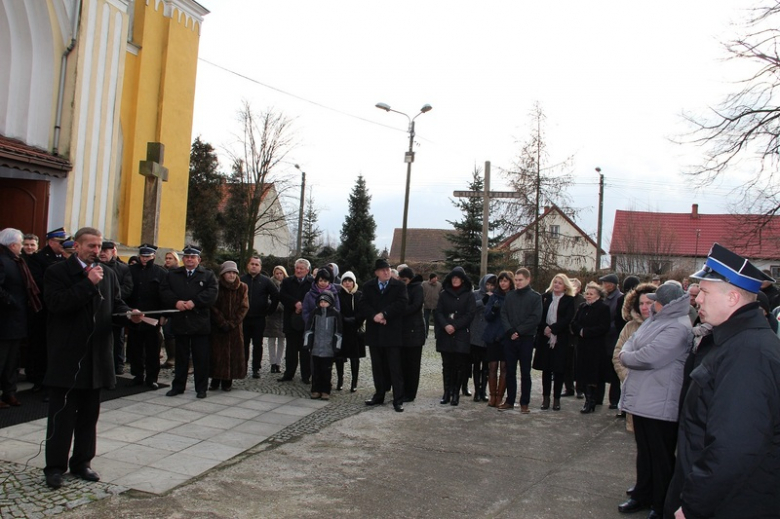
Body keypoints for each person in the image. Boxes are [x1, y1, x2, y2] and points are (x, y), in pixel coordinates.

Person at [665, 243, 780, 519]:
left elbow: (733, 449)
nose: (697, 300)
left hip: (727, 505)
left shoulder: (749, 353)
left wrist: (692, 506)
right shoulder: (735, 342)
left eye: (704, 291)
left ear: (731, 298)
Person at [42, 227, 143, 489]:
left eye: (99, 246)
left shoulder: (108, 274)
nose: (97, 251)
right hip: (67, 356)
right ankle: (54, 467)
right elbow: (57, 304)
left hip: (97, 356)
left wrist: (129, 313)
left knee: (89, 415)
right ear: (76, 246)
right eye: (91, 246)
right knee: (62, 416)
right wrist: (87, 284)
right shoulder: (58, 273)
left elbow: (115, 305)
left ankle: (82, 462)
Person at [617, 283, 691, 518]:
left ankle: (660, 504)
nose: (649, 304)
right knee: (645, 451)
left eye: (654, 301)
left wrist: (628, 356)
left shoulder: (678, 327)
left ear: (666, 304)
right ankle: (642, 494)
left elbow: (648, 357)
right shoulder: (655, 321)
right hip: (643, 397)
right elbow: (631, 342)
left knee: (661, 456)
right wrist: (630, 354)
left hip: (660, 400)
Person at [160, 245, 219, 399]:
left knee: (201, 358)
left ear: (198, 259)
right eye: (187, 257)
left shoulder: (207, 275)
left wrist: (195, 302)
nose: (190, 260)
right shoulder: (173, 274)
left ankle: (201, 388)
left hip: (200, 323)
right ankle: (178, 386)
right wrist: (176, 302)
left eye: (193, 257)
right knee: (181, 358)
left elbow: (212, 293)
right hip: (181, 321)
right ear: (183, 259)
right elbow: (164, 291)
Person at [358, 258, 408, 412]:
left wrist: (385, 314)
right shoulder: (368, 286)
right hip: (375, 332)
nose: (386, 272)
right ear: (377, 273)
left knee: (395, 366)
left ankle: (398, 398)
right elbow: (363, 304)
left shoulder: (398, 285)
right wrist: (374, 316)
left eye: (388, 269)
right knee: (377, 366)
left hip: (392, 331)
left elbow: (402, 303)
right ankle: (379, 394)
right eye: (383, 270)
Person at [0, 228, 41, 408]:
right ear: (13, 245)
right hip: (4, 320)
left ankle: (9, 393)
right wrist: (13, 302)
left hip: (16, 320)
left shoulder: (17, 260)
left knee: (12, 360)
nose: (23, 247)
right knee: (2, 359)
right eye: (21, 244)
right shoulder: (2, 261)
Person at [26, 227, 69, 396]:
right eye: (60, 242)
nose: (63, 245)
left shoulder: (63, 257)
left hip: (59, 311)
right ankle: (39, 380)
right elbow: (38, 282)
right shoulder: (38, 258)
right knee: (40, 347)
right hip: (43, 310)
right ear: (51, 242)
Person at [612, 283, 657, 427]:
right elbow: (618, 354)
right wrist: (627, 376)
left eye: (649, 303)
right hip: (633, 390)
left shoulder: (666, 327)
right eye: (641, 303)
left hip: (657, 394)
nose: (644, 307)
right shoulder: (630, 327)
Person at [499, 268, 542, 412]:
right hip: (510, 338)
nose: (517, 283)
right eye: (516, 280)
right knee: (510, 371)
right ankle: (510, 400)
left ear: (528, 280)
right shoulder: (510, 296)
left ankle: (525, 403)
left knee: (525, 372)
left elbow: (535, 318)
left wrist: (519, 331)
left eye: (520, 280)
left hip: (526, 339)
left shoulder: (535, 297)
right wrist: (510, 330)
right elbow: (503, 313)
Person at [126, 244, 167, 389]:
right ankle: (137, 375)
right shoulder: (130, 270)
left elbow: (164, 296)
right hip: (134, 315)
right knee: (135, 349)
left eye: (147, 256)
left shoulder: (160, 273)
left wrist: (163, 315)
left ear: (153, 256)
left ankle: (152, 378)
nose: (144, 259)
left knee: (152, 350)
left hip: (152, 317)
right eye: (142, 256)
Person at [532, 273, 576, 412]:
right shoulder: (544, 297)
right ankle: (545, 398)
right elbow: (538, 315)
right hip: (544, 338)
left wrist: (553, 329)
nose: (557, 285)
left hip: (560, 339)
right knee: (546, 369)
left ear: (565, 286)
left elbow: (568, 318)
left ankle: (557, 399)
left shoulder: (569, 300)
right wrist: (545, 327)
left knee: (559, 370)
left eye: (560, 283)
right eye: (555, 282)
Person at [434, 267, 476, 407]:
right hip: (446, 334)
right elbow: (438, 312)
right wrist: (446, 325)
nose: (455, 280)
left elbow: (470, 314)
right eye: (453, 278)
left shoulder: (469, 295)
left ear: (462, 279)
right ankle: (447, 392)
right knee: (447, 365)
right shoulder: (444, 294)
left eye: (458, 278)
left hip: (461, 334)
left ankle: (456, 393)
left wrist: (455, 325)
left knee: (459, 366)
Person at [570, 282, 611, 414]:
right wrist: (579, 331)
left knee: (593, 374)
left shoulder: (603, 308)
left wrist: (586, 332)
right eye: (587, 293)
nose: (588, 296)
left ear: (598, 295)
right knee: (583, 373)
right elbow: (574, 322)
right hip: (582, 345)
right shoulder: (582, 307)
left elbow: (604, 327)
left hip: (596, 347)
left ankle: (592, 401)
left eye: (591, 294)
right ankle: (587, 399)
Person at [209, 261, 249, 391]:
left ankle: (228, 381)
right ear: (223, 274)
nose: (231, 275)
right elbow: (213, 306)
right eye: (228, 272)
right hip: (218, 327)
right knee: (217, 354)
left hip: (235, 328)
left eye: (233, 272)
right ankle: (215, 379)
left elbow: (244, 307)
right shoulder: (216, 286)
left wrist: (232, 323)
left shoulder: (242, 287)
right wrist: (221, 322)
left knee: (233, 354)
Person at [240, 256, 280, 379]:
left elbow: (276, 296)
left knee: (258, 344)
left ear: (260, 267)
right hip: (244, 318)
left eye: (257, 264)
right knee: (244, 344)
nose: (254, 266)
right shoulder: (241, 280)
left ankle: (256, 368)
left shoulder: (266, 281)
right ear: (248, 265)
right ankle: (243, 367)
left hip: (259, 318)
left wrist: (269, 311)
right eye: (252, 264)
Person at [99, 241, 133, 375]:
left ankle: (117, 364)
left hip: (115, 308)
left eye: (105, 251)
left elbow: (128, 287)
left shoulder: (123, 268)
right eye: (101, 251)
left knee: (117, 338)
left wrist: (112, 297)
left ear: (113, 252)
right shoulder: (94, 266)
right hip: (99, 308)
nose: (102, 253)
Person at [278, 258, 314, 384]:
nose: (298, 270)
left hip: (306, 321)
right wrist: (295, 303)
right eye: (297, 268)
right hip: (291, 319)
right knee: (291, 350)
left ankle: (306, 375)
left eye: (301, 268)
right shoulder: (287, 281)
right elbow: (282, 295)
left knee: (305, 350)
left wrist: (303, 306)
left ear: (307, 270)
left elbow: (315, 296)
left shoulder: (312, 282)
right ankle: (288, 373)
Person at [303, 290, 342, 399]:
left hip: (329, 349)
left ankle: (326, 390)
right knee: (316, 370)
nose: (323, 304)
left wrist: (337, 346)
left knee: (326, 371)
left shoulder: (335, 314)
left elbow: (338, 331)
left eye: (325, 301)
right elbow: (309, 328)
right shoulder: (315, 313)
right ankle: (315, 389)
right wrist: (307, 343)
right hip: (316, 347)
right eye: (321, 302)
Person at [483, 271, 513, 407]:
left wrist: (504, 333)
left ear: (510, 282)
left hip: (506, 336)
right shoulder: (494, 296)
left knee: (504, 367)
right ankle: (492, 396)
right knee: (492, 366)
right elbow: (487, 316)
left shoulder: (513, 297)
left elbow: (513, 318)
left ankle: (500, 396)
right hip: (492, 336)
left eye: (505, 281)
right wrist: (494, 309)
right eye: (501, 281)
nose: (503, 283)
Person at [399, 267, 425, 402]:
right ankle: (403, 390)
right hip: (403, 332)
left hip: (415, 332)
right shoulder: (403, 288)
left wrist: (401, 311)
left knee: (413, 365)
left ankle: (411, 393)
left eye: (404, 280)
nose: (403, 282)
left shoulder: (417, 288)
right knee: (403, 364)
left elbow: (416, 305)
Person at [336, 271, 365, 393]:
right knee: (339, 357)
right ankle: (340, 380)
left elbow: (363, 311)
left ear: (354, 282)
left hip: (355, 329)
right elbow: (336, 310)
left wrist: (355, 320)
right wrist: (343, 320)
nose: (347, 283)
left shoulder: (359, 295)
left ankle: (354, 382)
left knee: (355, 357)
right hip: (342, 329)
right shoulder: (338, 294)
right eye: (345, 281)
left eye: (349, 281)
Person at [598, 273, 623, 409]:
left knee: (614, 371)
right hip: (602, 339)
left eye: (605, 283)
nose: (603, 285)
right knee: (601, 369)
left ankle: (614, 399)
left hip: (612, 339)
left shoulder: (619, 298)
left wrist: (605, 327)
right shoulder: (603, 298)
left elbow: (617, 319)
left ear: (611, 284)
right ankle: (598, 398)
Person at [469, 274, 495, 402]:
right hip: (476, 333)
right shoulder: (475, 294)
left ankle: (483, 390)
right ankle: (476, 390)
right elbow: (470, 307)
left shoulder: (496, 296)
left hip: (489, 334)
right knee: (476, 364)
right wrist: (484, 300)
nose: (489, 287)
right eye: (487, 284)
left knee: (487, 366)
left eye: (492, 285)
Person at [264, 266, 287, 373]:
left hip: (283, 316)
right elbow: (267, 298)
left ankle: (278, 363)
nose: (278, 275)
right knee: (272, 340)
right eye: (277, 273)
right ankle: (273, 363)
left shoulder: (287, 284)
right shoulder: (270, 283)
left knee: (282, 341)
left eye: (280, 273)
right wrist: (275, 305)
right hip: (272, 316)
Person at [565, 278, 585, 398]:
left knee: (578, 363)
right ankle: (568, 388)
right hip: (566, 335)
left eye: (575, 287)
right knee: (567, 363)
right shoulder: (566, 299)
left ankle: (580, 389)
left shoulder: (582, 301)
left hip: (578, 336)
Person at [160, 251, 180, 368]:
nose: (167, 260)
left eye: (170, 258)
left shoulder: (177, 273)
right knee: (167, 334)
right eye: (166, 258)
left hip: (175, 308)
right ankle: (171, 357)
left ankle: (174, 358)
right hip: (166, 308)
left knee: (171, 334)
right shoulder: (163, 272)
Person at [422, 273, 442, 338]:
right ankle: (425, 333)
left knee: (436, 321)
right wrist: (423, 301)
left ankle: (437, 334)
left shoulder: (439, 285)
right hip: (426, 305)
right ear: (431, 278)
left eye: (436, 278)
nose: (436, 279)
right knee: (426, 319)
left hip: (436, 305)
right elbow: (422, 293)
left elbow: (441, 294)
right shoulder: (424, 284)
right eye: (435, 278)